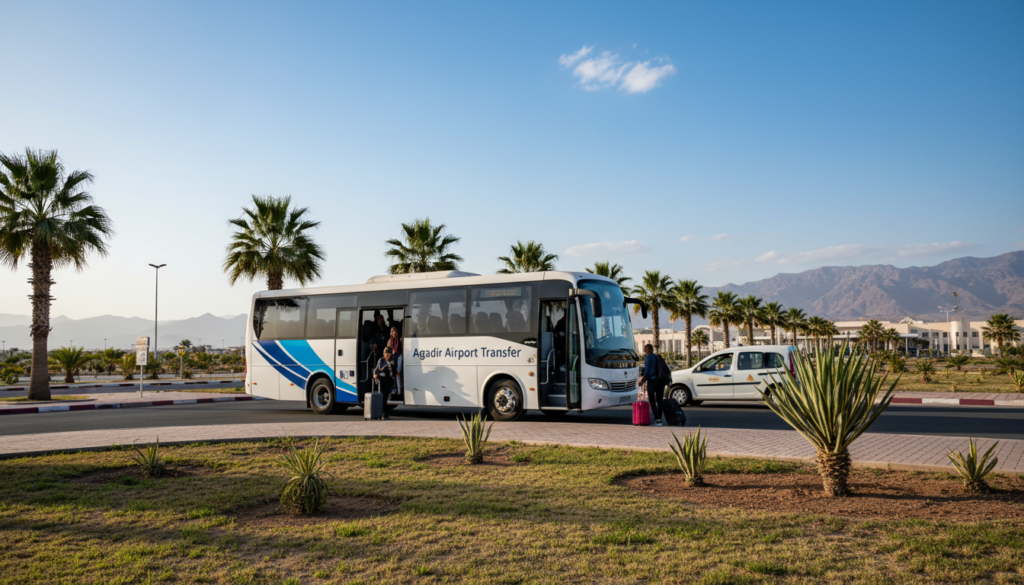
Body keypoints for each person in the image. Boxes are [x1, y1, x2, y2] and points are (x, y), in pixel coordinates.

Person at [639, 343, 666, 426]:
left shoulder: (648, 357)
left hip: (652, 381)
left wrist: (642, 380)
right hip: (661, 381)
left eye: (645, 350)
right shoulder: (657, 357)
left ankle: (657, 419)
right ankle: (660, 419)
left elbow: (647, 371)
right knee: (659, 400)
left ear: (647, 350)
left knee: (652, 399)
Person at [387, 325, 403, 397]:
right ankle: (394, 389)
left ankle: (399, 391)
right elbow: (388, 350)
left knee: (398, 372)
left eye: (395, 331)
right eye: (392, 331)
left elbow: (402, 349)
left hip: (399, 356)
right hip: (393, 357)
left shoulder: (400, 340)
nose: (394, 332)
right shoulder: (390, 340)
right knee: (392, 373)